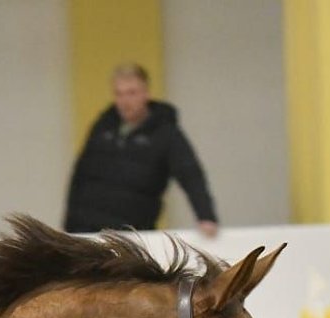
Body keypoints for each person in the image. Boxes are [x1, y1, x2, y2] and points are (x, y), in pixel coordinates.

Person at [63, 63, 218, 237]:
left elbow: (190, 174)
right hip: (86, 229)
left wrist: (206, 216)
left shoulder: (165, 133)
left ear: (145, 93)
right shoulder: (103, 127)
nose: (124, 101)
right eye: (119, 94)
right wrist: (69, 226)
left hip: (133, 232)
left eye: (131, 93)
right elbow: (80, 175)